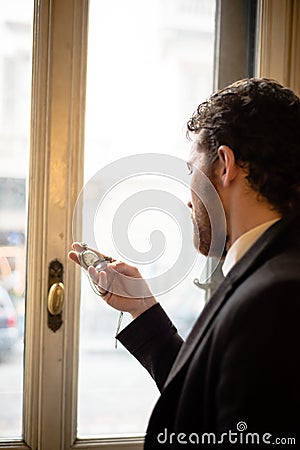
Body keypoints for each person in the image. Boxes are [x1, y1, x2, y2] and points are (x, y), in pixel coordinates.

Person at [69, 78, 300, 448]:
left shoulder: (277, 297)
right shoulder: (269, 272)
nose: (189, 199)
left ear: (225, 165)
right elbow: (206, 402)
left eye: (191, 171)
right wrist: (143, 309)